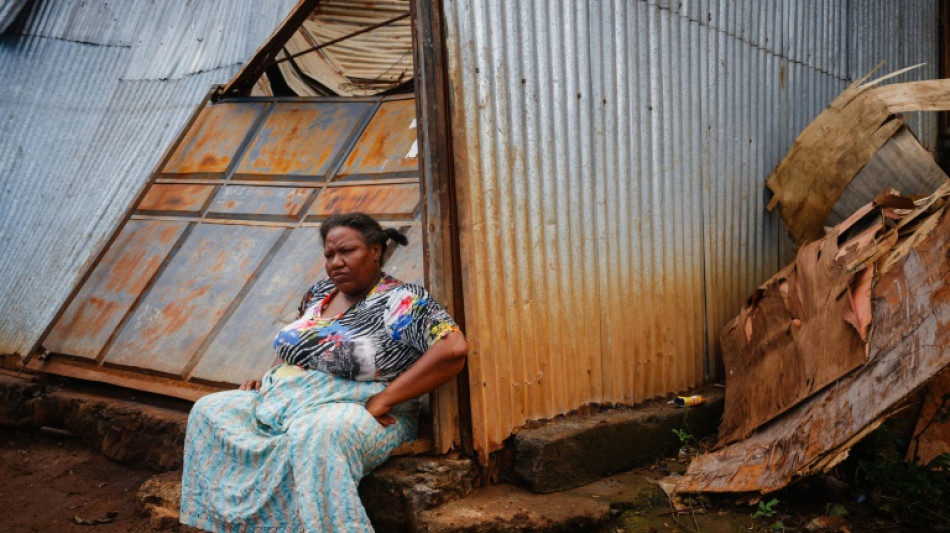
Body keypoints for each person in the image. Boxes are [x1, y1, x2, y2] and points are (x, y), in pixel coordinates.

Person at [179, 212, 468, 532]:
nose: (336, 262)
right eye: (330, 254)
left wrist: (385, 399)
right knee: (210, 410)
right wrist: (272, 380)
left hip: (363, 410)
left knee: (316, 432)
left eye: (347, 252)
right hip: (289, 400)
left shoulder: (402, 301)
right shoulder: (319, 294)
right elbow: (299, 346)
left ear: (375, 251)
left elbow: (452, 350)